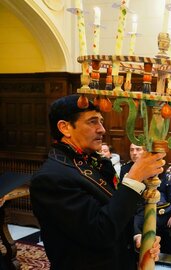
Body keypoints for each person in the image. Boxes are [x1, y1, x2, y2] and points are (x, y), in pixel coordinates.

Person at [29, 94, 162, 270]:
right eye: (93, 122)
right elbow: (100, 233)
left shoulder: (95, 162)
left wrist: (137, 238)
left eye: (100, 121)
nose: (102, 129)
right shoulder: (51, 178)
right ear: (65, 127)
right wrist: (134, 179)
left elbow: (112, 211)